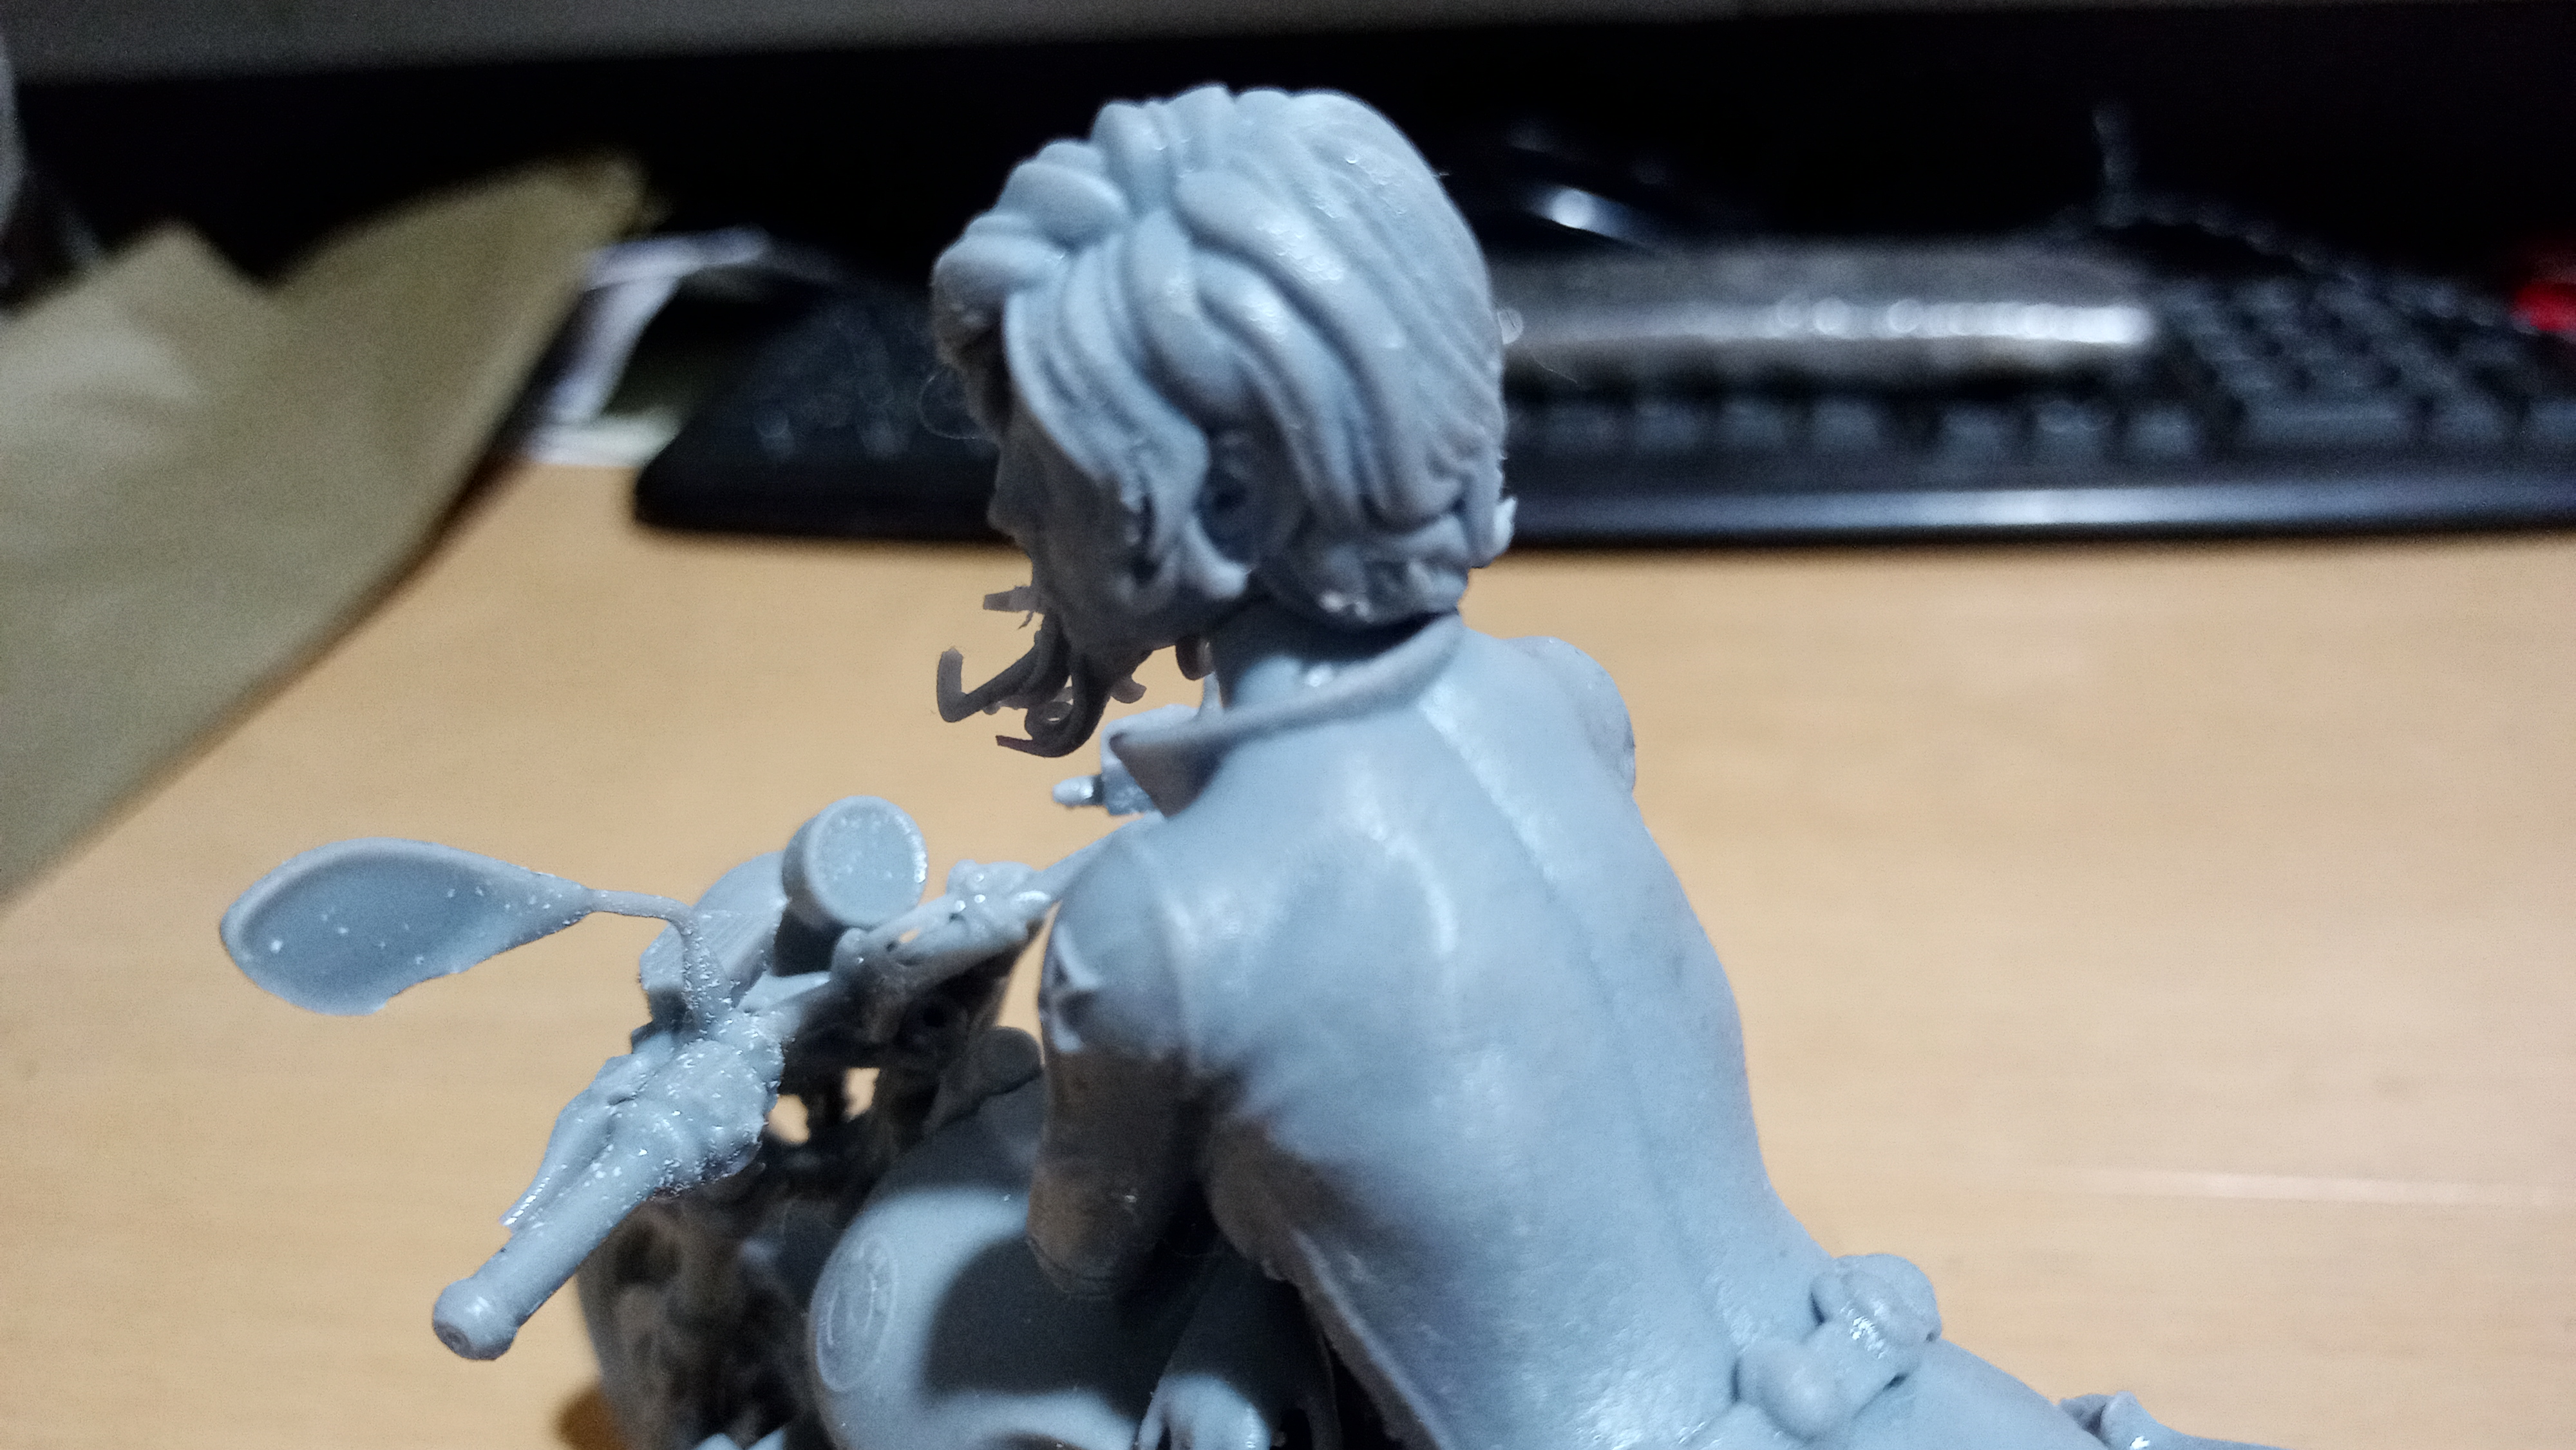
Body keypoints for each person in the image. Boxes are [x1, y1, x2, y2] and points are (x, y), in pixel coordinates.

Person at [928, 85, 2259, 1450]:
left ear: (1219, 501)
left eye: (1044, 457)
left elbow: (1084, 1254)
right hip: (1900, 1380)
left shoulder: (1161, 924)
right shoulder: (1562, 701)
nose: (1007, 502)